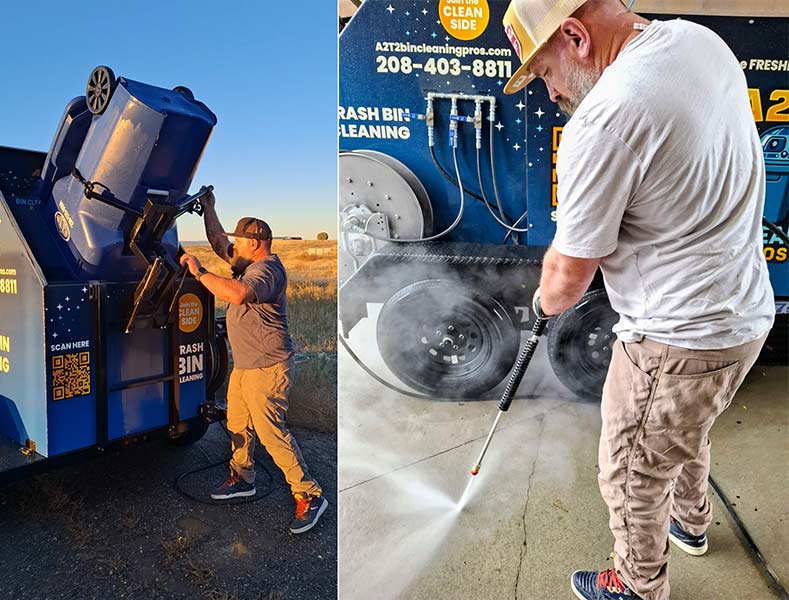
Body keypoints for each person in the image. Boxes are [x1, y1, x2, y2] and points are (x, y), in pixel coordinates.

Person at [501, 0, 775, 598]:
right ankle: (690, 522)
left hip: (676, 338)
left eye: (544, 73)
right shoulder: (696, 42)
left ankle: (634, 585)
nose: (548, 93)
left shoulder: (603, 120)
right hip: (744, 316)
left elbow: (569, 275)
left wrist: (542, 307)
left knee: (631, 472)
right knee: (682, 430)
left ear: (574, 36)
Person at [179, 189, 328, 535]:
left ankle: (310, 495)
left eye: (239, 243)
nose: (232, 248)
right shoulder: (248, 262)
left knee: (271, 432)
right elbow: (218, 242)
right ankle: (242, 478)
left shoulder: (267, 271)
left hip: (268, 367)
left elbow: (236, 293)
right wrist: (209, 210)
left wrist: (199, 271)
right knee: (238, 424)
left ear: (256, 243)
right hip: (246, 366)